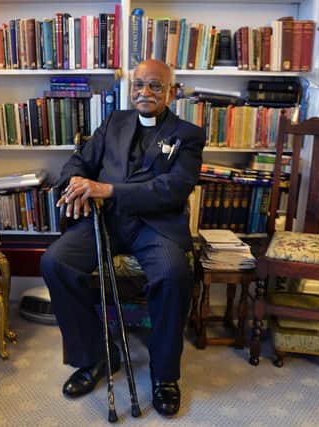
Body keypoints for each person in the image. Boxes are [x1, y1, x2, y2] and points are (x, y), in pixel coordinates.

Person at [40, 59, 205, 417]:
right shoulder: (114, 122)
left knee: (173, 274)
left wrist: (107, 189)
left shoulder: (188, 135)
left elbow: (173, 190)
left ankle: (164, 376)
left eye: (155, 86)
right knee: (56, 262)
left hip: (155, 226)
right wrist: (75, 185)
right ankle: (97, 357)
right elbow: (78, 162)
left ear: (171, 92)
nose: (144, 92)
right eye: (138, 85)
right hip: (105, 222)